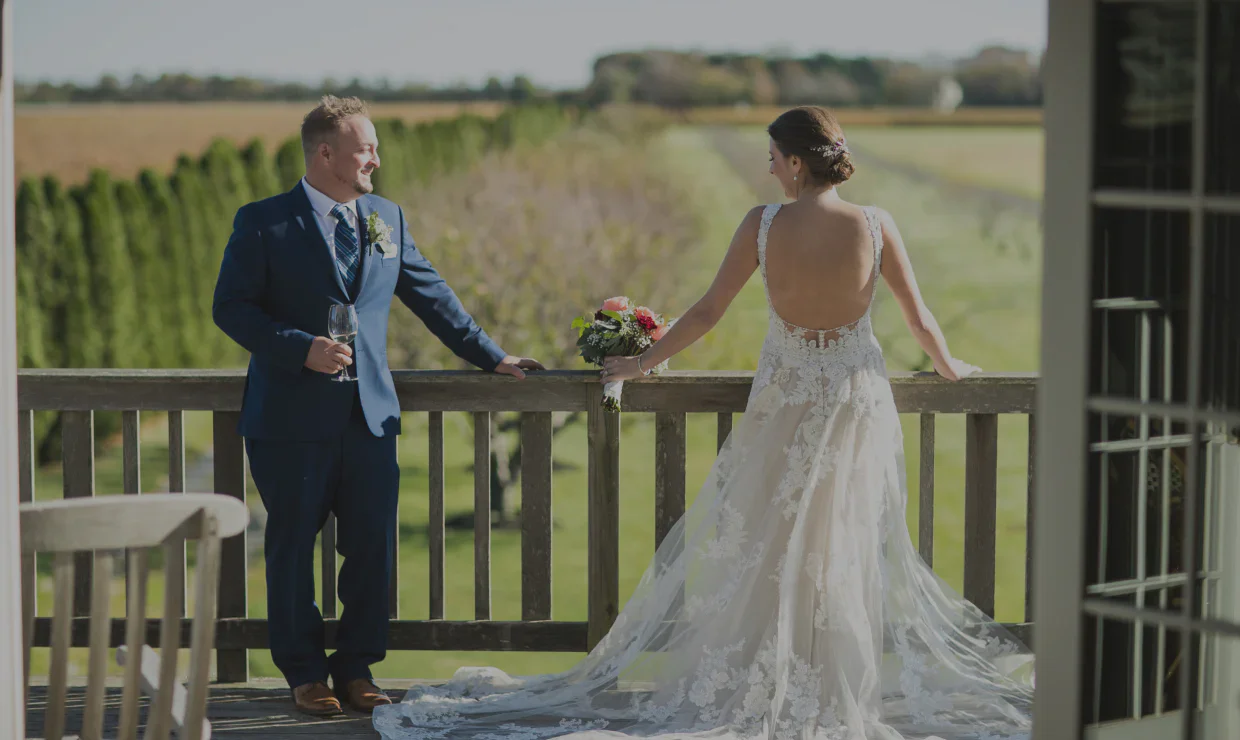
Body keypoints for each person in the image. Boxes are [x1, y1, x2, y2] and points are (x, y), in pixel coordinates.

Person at [372, 105, 1034, 739]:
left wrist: (640, 363)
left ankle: (769, 682)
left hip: (785, 402)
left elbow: (710, 310)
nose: (769, 167)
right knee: (841, 545)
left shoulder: (763, 224)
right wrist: (950, 368)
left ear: (799, 163)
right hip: (854, 401)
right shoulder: (877, 225)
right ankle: (827, 691)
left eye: (775, 157)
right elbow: (919, 320)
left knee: (771, 544)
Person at [212, 95, 543, 717]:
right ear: (325, 153)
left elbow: (431, 293)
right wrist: (298, 347)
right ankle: (305, 675)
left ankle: (357, 668)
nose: (376, 159)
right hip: (289, 422)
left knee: (371, 548)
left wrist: (491, 355)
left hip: (370, 418)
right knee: (290, 550)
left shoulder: (385, 216)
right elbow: (230, 308)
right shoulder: (262, 222)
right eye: (366, 148)